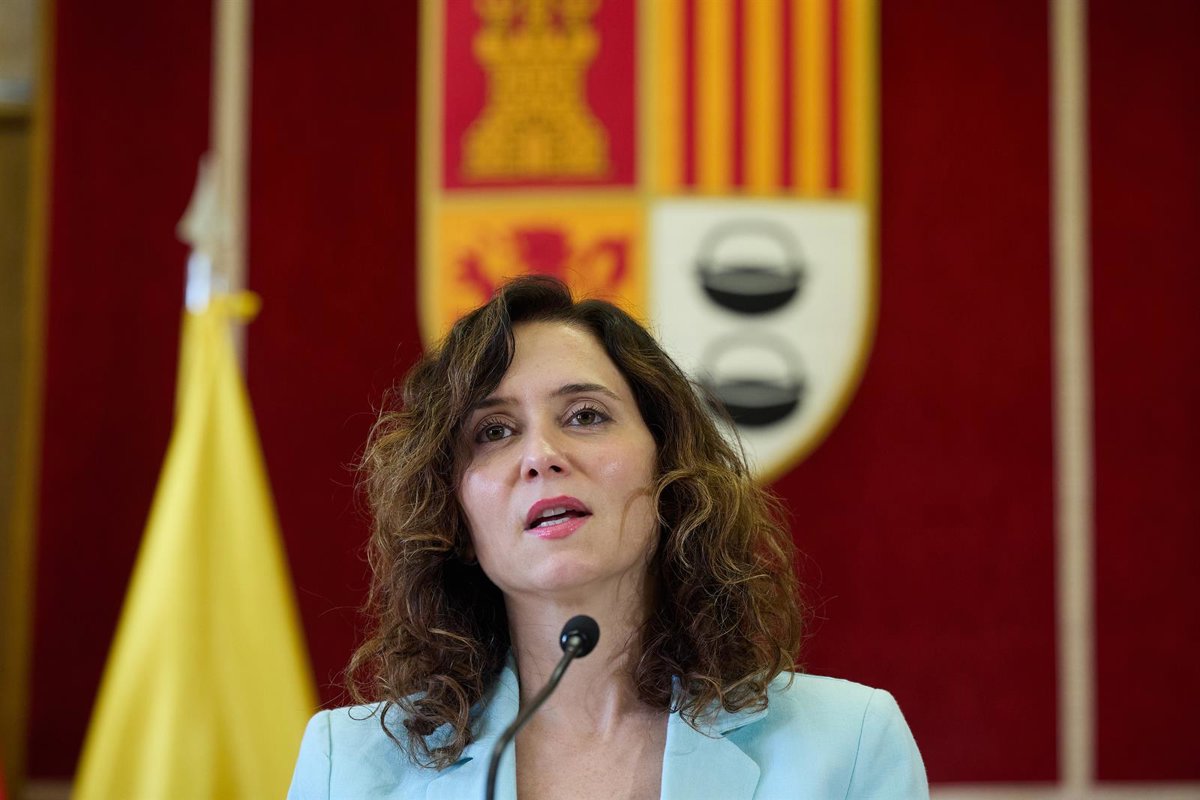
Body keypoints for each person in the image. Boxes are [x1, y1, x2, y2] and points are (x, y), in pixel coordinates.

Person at [288, 276, 928, 799]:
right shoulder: (350, 769)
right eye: (494, 431)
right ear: (451, 515)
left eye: (585, 416)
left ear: (669, 469)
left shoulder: (845, 748)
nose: (540, 456)